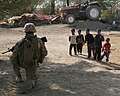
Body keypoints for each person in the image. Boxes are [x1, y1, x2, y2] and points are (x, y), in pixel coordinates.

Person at [10, 23, 47, 92]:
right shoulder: (39, 41)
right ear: (34, 31)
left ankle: (19, 76)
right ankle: (32, 80)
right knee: (31, 79)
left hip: (22, 63)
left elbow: (14, 54)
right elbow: (44, 52)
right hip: (33, 64)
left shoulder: (21, 41)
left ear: (25, 31)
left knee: (12, 59)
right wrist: (39, 59)